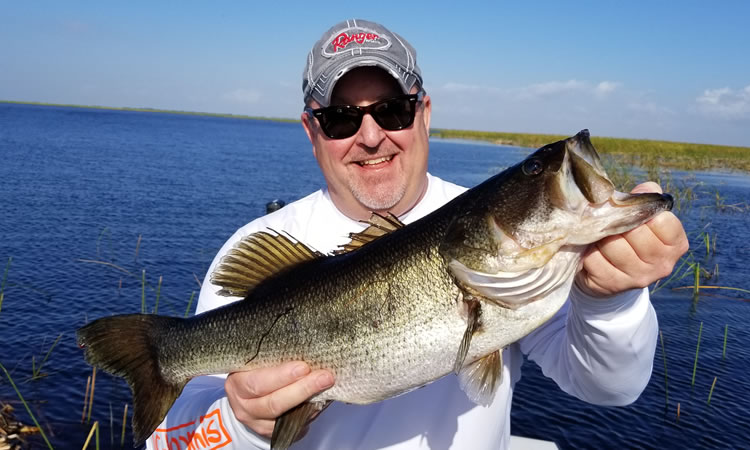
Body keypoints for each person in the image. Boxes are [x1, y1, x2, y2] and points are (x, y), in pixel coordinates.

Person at [147, 19, 688, 449]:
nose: (370, 135)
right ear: (312, 131)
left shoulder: (526, 273)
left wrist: (609, 304)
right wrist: (244, 423)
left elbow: (609, 388)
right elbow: (171, 441)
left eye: (392, 110)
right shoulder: (256, 246)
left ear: (423, 113)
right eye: (340, 118)